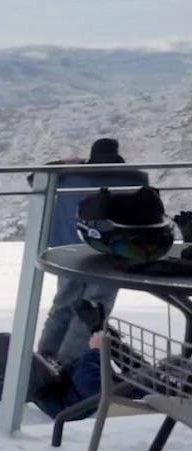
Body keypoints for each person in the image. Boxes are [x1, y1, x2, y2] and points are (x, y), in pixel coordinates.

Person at [37, 138, 148, 364]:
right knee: (95, 307)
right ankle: (67, 363)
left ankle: (45, 356)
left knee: (64, 302)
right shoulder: (135, 177)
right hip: (112, 251)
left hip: (68, 251)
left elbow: (36, 178)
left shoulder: (68, 177)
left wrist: (66, 162)